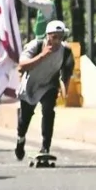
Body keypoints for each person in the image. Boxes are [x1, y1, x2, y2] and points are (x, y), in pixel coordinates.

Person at [14, 20, 74, 160]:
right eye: (54, 37)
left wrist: (65, 87)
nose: (58, 41)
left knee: (48, 111)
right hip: (31, 85)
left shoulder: (66, 51)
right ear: (48, 36)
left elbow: (68, 69)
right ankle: (20, 140)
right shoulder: (36, 45)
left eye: (60, 37)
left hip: (48, 84)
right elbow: (21, 66)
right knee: (25, 119)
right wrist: (43, 55)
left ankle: (45, 146)